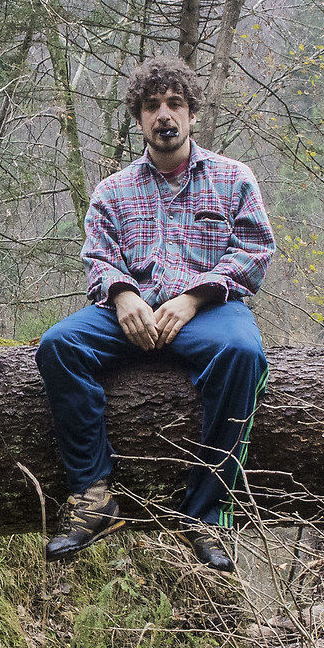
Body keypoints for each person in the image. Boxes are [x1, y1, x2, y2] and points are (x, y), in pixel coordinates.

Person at [35, 57, 274, 572]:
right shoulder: (112, 190)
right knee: (59, 346)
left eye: (175, 104)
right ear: (139, 118)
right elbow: (97, 257)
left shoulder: (233, 179)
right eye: (152, 106)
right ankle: (94, 498)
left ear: (191, 115)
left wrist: (193, 298)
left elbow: (255, 251)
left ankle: (206, 517)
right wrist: (123, 297)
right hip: (129, 309)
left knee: (243, 355)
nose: (164, 115)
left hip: (209, 310)